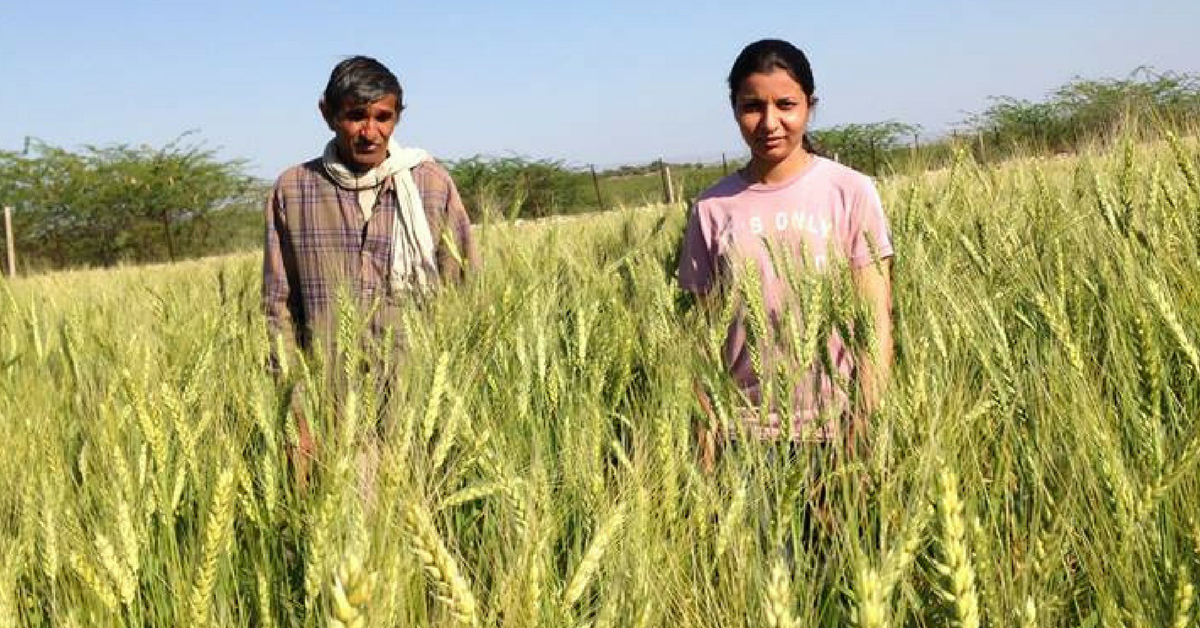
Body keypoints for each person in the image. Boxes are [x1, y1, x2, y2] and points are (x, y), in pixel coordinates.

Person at [263, 55, 479, 489]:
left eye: (384, 117)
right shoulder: (292, 190)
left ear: (399, 116)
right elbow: (277, 313)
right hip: (335, 413)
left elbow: (463, 295)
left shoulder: (430, 184)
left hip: (418, 408)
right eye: (355, 116)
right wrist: (296, 418)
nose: (370, 131)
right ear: (327, 114)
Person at [678, 39, 894, 463]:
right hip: (743, 435)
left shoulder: (850, 192)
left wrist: (865, 425)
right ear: (734, 109)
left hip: (837, 427)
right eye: (752, 106)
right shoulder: (710, 209)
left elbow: (876, 322)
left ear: (809, 107)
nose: (769, 122)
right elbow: (702, 339)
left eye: (786, 105)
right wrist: (704, 433)